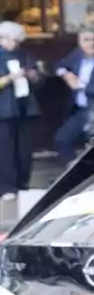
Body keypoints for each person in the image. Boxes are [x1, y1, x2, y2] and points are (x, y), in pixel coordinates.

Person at [52, 27, 94, 162]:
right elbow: (58, 65)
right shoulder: (77, 55)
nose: (92, 44)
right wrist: (66, 74)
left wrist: (82, 86)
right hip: (79, 109)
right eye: (87, 40)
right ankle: (72, 172)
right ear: (79, 42)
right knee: (62, 139)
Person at [0, 21, 41, 195]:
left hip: (26, 108)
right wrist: (9, 78)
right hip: (5, 110)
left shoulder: (25, 55)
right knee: (6, 150)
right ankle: (7, 187)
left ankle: (23, 184)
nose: (13, 43)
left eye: (16, 40)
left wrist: (34, 76)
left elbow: (39, 80)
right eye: (10, 39)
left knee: (24, 150)